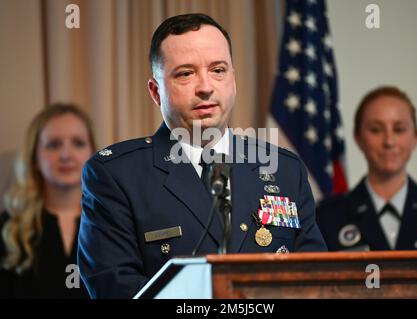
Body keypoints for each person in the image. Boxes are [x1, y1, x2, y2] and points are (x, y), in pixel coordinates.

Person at [78, 13, 327, 299]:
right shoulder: (116, 175)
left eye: (218, 70)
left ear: (233, 79)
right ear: (156, 91)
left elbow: (314, 281)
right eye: (186, 73)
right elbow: (115, 288)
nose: (206, 87)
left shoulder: (285, 169)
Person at [317, 86, 417, 251]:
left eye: (399, 129)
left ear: (415, 137)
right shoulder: (326, 217)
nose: (389, 141)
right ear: (358, 138)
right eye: (376, 130)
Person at [0, 103, 96, 298]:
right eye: (53, 144)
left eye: (78, 143)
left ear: (92, 153)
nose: (65, 155)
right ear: (34, 157)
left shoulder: (114, 224)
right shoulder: (8, 229)